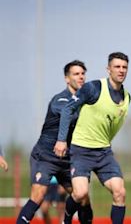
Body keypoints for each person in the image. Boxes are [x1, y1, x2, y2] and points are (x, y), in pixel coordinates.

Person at [54, 52, 131, 224]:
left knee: (120, 192)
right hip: (81, 151)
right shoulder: (93, 88)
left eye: (124, 67)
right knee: (80, 193)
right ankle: (66, 220)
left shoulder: (126, 98)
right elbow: (67, 109)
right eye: (117, 67)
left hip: (104, 153)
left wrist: (104, 142)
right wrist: (61, 140)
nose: (121, 70)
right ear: (108, 69)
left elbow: (113, 125)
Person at [16, 60, 93, 224]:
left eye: (82, 74)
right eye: (76, 74)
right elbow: (68, 113)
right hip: (46, 156)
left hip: (68, 160)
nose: (80, 77)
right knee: (38, 196)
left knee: (83, 196)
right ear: (67, 78)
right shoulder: (61, 100)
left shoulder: (84, 103)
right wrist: (61, 139)